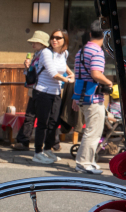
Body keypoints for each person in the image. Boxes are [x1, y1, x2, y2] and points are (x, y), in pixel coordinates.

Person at [73, 21, 112, 174]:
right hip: (93, 97)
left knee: (91, 130)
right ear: (105, 36)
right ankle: (84, 163)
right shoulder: (97, 52)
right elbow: (96, 74)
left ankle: (89, 161)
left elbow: (79, 75)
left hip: (82, 95)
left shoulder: (81, 51)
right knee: (93, 131)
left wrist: (75, 98)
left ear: (90, 34)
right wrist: (109, 82)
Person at [30, 29, 74, 164]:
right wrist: (68, 80)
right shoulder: (46, 52)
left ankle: (48, 149)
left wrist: (71, 73)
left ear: (64, 41)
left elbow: (63, 66)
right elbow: (53, 73)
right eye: (53, 37)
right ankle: (38, 152)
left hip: (55, 92)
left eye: (58, 38)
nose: (54, 40)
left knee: (54, 122)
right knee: (42, 123)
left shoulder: (64, 53)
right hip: (42, 91)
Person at [14, 31, 50, 151]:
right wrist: (27, 67)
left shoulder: (45, 55)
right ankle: (23, 140)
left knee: (39, 116)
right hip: (35, 88)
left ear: (42, 43)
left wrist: (29, 68)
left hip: (43, 89)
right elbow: (32, 74)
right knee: (31, 115)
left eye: (35, 42)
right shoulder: (37, 54)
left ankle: (48, 143)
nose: (33, 44)